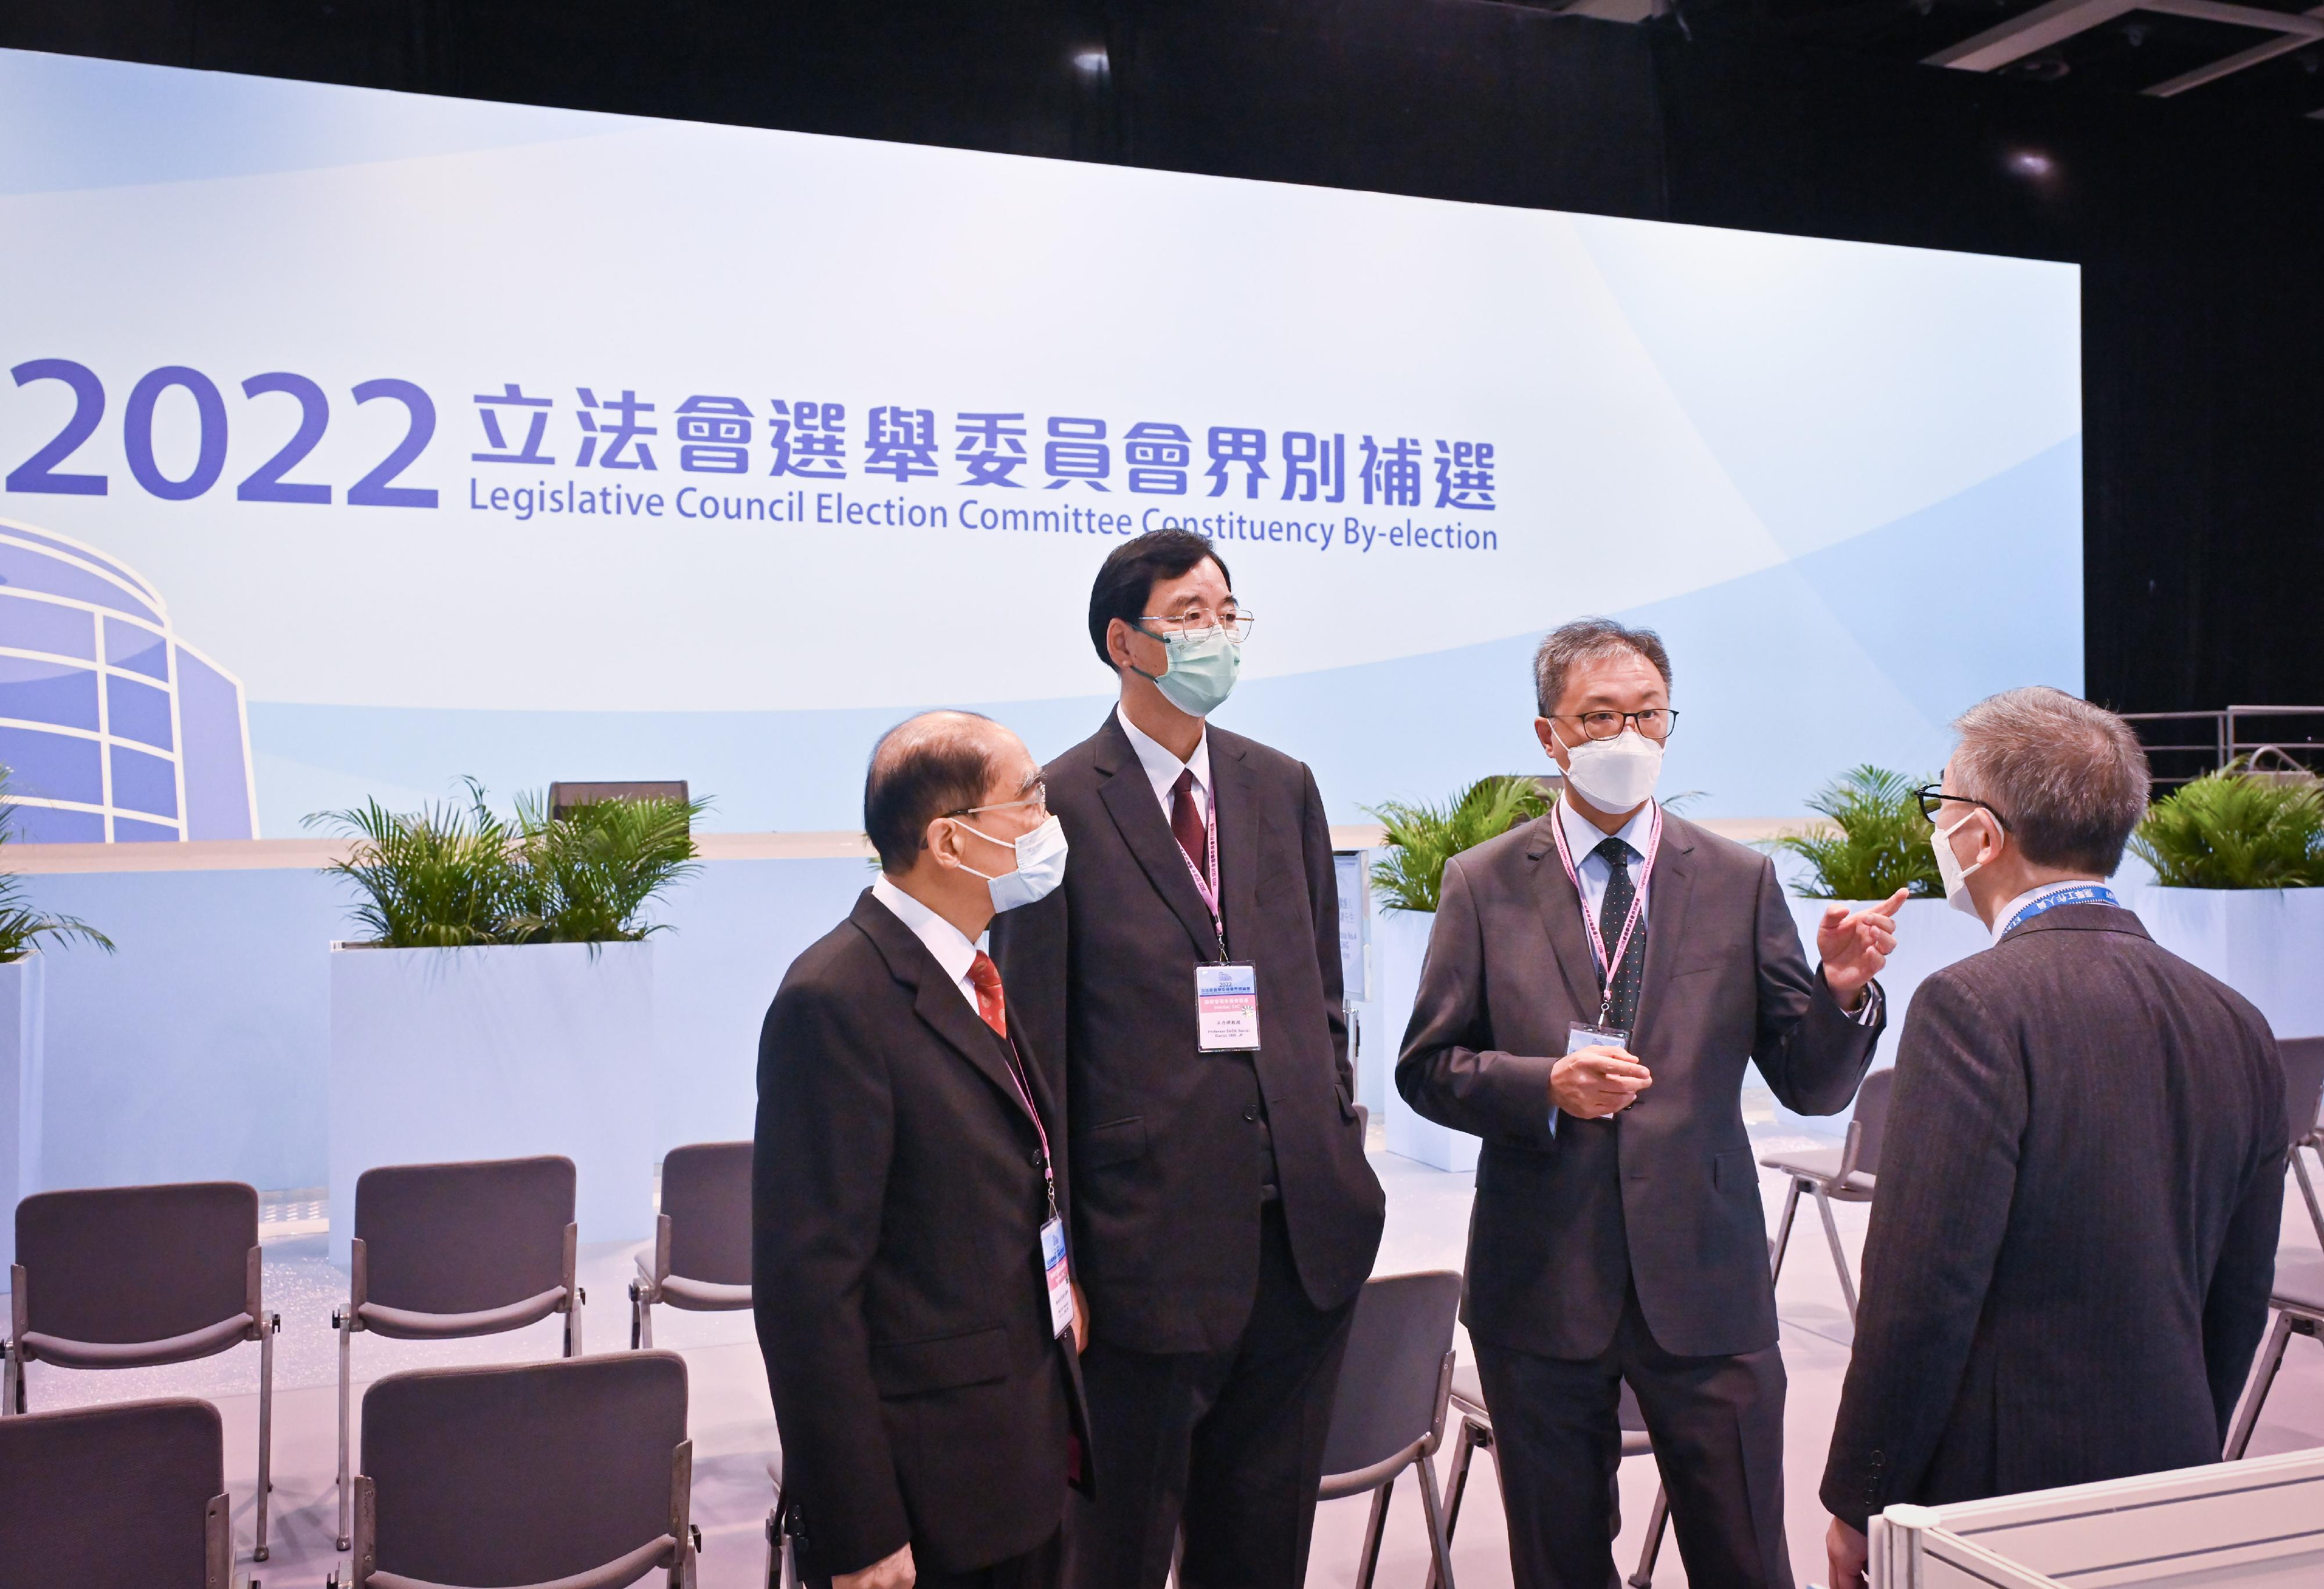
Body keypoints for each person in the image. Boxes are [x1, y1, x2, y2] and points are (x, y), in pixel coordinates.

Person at [1398, 616, 1900, 1589]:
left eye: (1647, 716)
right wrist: (1541, 1085)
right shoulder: (1483, 883)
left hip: (1707, 1283)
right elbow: (1428, 1067)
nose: (1626, 738)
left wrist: (1841, 994)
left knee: (1748, 1555)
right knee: (1561, 1560)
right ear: (1549, 735)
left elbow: (1811, 1082)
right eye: (1598, 717)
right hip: (1541, 1280)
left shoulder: (1738, 879)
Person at [1820, 688, 2285, 1588]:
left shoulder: (1971, 1006)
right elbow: (2240, 1292)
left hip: (1996, 1501)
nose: (1938, 827)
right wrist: (2190, 1446)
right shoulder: (2237, 1019)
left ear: (1984, 839)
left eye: (1942, 805)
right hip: (2176, 1467)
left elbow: (1921, 1291)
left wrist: (1860, 1502)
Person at [989, 529, 1385, 1589]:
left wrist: (1337, 1137)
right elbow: (1031, 1053)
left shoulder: (1280, 785)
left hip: (1300, 1242)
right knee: (1114, 1553)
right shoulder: (1056, 804)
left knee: (1261, 1550)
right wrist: (1060, 1256)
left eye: (1227, 614)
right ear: (1125, 641)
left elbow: (1322, 995)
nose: (1218, 635)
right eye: (1190, 616)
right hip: (1141, 1254)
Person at [755, 711, 1092, 1589]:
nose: (1049, 823)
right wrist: (859, 1526)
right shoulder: (835, 999)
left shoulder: (971, 969)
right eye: (1031, 801)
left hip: (1016, 1450)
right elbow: (807, 1297)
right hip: (926, 1495)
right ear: (951, 840)